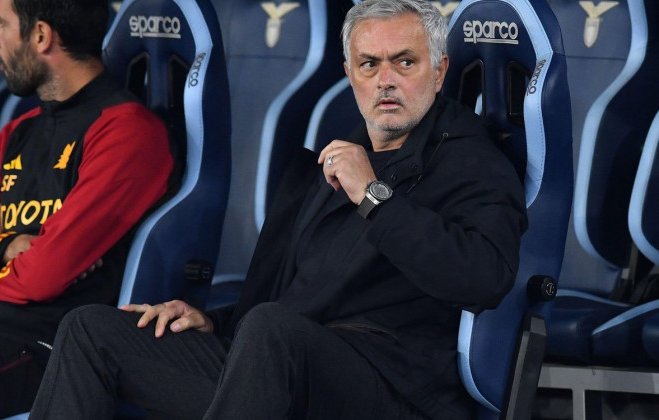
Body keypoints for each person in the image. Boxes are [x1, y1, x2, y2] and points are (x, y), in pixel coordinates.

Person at [29, 0, 527, 418]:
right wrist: (215, 323)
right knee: (90, 330)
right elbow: (300, 294)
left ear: (439, 72)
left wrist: (374, 196)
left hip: (392, 384)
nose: (385, 81)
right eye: (370, 64)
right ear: (350, 74)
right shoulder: (338, 157)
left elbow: (483, 279)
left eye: (405, 62)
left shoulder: (474, 162)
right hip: (280, 365)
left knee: (272, 330)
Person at [0, 0, 173, 417]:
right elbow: (35, 266)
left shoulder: (128, 131)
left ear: (41, 35)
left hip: (40, 348)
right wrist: (4, 250)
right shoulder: (17, 134)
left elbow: (43, 277)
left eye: (1, 24)